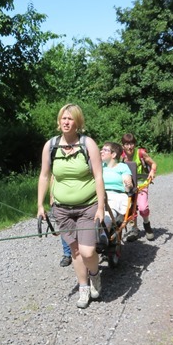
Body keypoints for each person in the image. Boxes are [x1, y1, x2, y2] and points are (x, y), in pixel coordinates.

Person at [38, 104, 105, 308]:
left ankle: (95, 274)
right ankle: (83, 287)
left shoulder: (88, 144)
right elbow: (44, 175)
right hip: (61, 209)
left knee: (87, 251)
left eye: (70, 119)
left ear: (78, 122)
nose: (66, 122)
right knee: (75, 251)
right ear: (59, 122)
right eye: (63, 118)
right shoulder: (50, 146)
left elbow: (98, 176)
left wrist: (101, 207)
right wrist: (40, 205)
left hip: (87, 206)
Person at [120, 133, 157, 242]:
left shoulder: (141, 153)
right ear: (123, 145)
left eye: (131, 144)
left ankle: (147, 225)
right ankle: (134, 229)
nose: (129, 147)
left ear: (135, 144)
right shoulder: (120, 156)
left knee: (142, 207)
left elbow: (153, 164)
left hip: (141, 184)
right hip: (128, 186)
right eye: (126, 144)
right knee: (131, 208)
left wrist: (152, 172)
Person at [100, 141, 133, 231]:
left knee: (109, 210)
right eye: (101, 149)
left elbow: (128, 187)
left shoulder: (122, 167)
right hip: (101, 195)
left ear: (113, 154)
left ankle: (103, 234)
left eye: (105, 150)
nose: (101, 151)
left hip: (117, 195)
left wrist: (128, 184)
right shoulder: (100, 167)